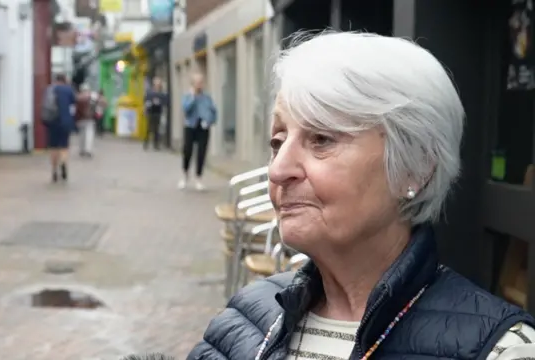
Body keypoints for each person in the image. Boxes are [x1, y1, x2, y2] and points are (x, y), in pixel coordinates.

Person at [187, 31, 535, 360]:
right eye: (277, 143)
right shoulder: (247, 318)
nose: (278, 170)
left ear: (413, 169)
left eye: (321, 139)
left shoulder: (499, 348)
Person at [179, 73, 216, 191]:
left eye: (201, 82)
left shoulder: (207, 97)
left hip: (203, 127)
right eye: (197, 82)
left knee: (201, 152)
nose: (199, 85)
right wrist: (193, 97)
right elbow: (185, 109)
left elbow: (214, 111)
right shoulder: (188, 96)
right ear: (193, 84)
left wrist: (210, 121)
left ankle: (198, 178)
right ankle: (185, 175)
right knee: (187, 151)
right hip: (190, 126)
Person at [46, 74, 76, 182]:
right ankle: (63, 163)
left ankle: (54, 170)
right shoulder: (69, 90)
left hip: (52, 121)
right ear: (64, 80)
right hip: (65, 122)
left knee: (53, 147)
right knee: (64, 146)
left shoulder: (50, 89)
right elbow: (74, 103)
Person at [144, 76, 168, 150]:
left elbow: (165, 101)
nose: (158, 84)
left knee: (157, 129)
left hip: (158, 112)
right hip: (151, 112)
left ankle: (156, 144)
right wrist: (150, 104)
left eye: (159, 83)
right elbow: (146, 100)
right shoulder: (150, 92)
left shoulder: (162, 93)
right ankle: (146, 143)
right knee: (149, 128)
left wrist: (159, 102)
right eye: (156, 83)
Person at [75, 83, 97, 158]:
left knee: (81, 135)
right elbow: (95, 107)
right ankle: (88, 150)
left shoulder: (78, 97)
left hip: (80, 119)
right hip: (90, 119)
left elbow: (75, 109)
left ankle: (81, 149)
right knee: (89, 134)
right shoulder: (92, 97)